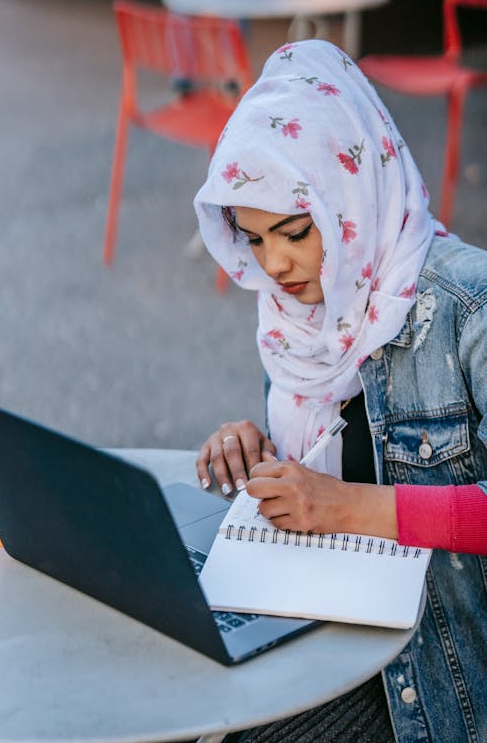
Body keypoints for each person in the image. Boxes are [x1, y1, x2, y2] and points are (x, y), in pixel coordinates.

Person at [193, 40, 486, 743]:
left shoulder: (466, 306)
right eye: (255, 239)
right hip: (321, 635)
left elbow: (348, 495)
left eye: (295, 232)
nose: (276, 265)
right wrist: (258, 452)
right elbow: (338, 449)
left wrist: (345, 506)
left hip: (438, 684)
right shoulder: (301, 310)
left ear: (348, 197)